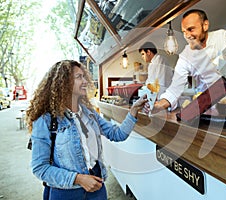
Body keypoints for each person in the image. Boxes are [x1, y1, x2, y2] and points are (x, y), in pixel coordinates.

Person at [26, 60, 147, 200]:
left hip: (96, 186)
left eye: (84, 76)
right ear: (63, 83)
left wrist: (133, 111)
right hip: (66, 192)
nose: (85, 81)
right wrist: (78, 179)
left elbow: (117, 134)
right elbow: (40, 168)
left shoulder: (89, 113)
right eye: (79, 77)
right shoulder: (46, 120)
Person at [145, 9, 226, 113]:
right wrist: (158, 105)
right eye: (184, 32)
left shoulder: (221, 36)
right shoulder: (184, 57)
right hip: (208, 107)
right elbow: (175, 89)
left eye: (191, 29)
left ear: (205, 25)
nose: (187, 36)